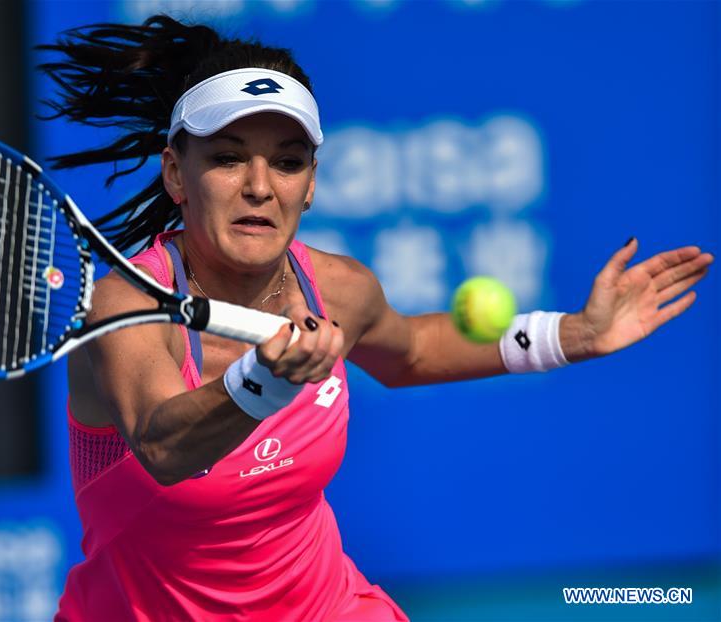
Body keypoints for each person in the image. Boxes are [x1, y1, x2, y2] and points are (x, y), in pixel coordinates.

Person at [40, 15, 714, 622]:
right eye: (226, 157)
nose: (258, 185)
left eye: (287, 161)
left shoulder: (338, 287)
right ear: (176, 175)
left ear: (310, 184)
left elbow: (413, 351)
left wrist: (572, 335)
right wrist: (262, 384)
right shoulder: (127, 305)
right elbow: (163, 448)